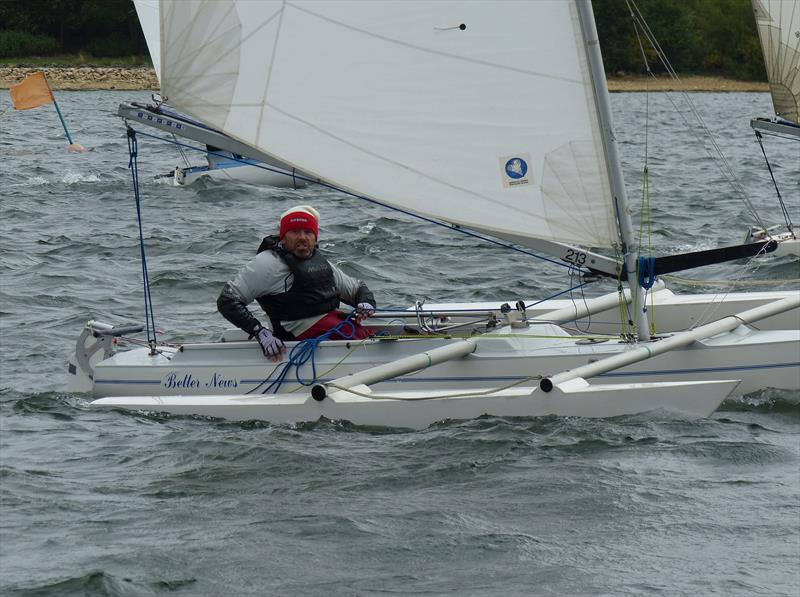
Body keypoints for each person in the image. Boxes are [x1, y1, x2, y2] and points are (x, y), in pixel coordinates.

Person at [217, 205, 376, 359]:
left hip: (334, 330)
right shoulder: (267, 264)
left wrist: (366, 302)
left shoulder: (321, 263)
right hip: (294, 340)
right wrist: (259, 332)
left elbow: (357, 289)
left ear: (315, 238)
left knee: (360, 332)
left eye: (308, 232)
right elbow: (227, 300)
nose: (302, 237)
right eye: (294, 232)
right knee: (355, 335)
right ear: (283, 238)